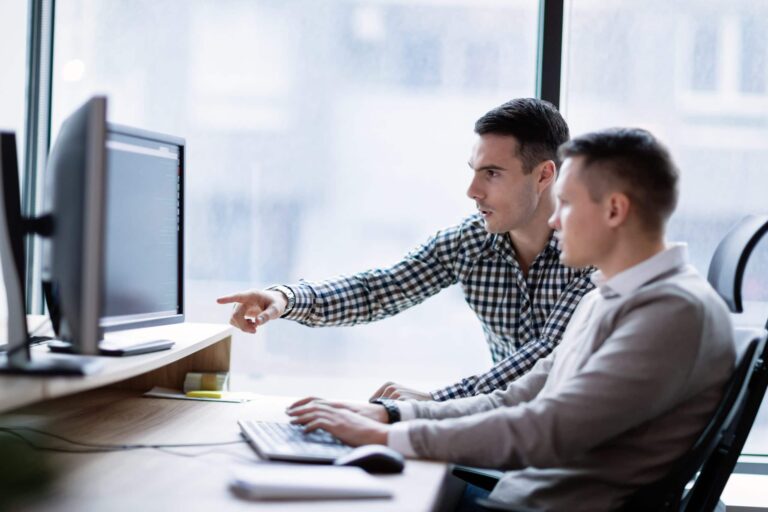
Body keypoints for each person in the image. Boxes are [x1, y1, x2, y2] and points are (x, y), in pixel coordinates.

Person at [285, 128, 736, 511]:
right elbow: (516, 398)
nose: (554, 222)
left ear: (615, 210)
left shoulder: (674, 312)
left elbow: (546, 428)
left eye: (567, 205)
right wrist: (390, 416)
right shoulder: (610, 297)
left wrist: (385, 440)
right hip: (516, 496)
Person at [217, 98, 594, 401]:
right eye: (474, 170)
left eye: (492, 173)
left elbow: (546, 358)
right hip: (503, 433)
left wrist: (434, 403)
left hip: (575, 447)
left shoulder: (592, 252)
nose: (472, 191)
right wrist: (285, 297)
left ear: (544, 175)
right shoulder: (470, 242)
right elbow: (379, 290)